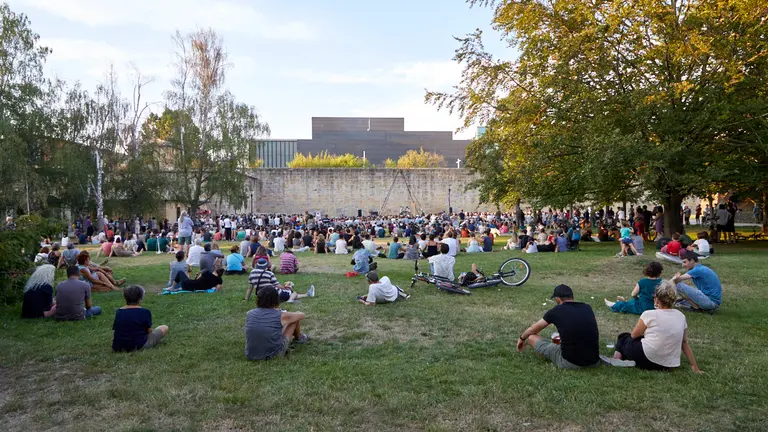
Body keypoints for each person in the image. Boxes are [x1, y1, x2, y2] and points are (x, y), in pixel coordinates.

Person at [612, 281, 702, 373]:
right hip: (668, 365)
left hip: (647, 358)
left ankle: (616, 359)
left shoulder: (649, 314)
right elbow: (684, 342)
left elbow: (634, 335)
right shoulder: (681, 316)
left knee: (623, 337)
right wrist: (694, 366)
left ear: (656, 299)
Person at [517, 285, 601, 369]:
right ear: (572, 297)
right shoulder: (587, 307)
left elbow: (533, 329)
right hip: (594, 362)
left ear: (557, 299)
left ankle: (546, 353)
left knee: (531, 337)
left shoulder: (556, 311)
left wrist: (522, 338)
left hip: (570, 362)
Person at [244, 286, 309, 361]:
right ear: (276, 299)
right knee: (294, 320)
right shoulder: (280, 315)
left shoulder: (250, 313)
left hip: (250, 354)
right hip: (273, 355)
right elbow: (301, 315)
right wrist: (286, 312)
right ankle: (299, 338)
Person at [112, 285, 168, 352]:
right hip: (139, 345)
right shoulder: (145, 312)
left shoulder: (119, 312)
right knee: (164, 327)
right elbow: (149, 331)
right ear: (140, 299)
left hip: (118, 346)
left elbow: (116, 329)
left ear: (125, 298)